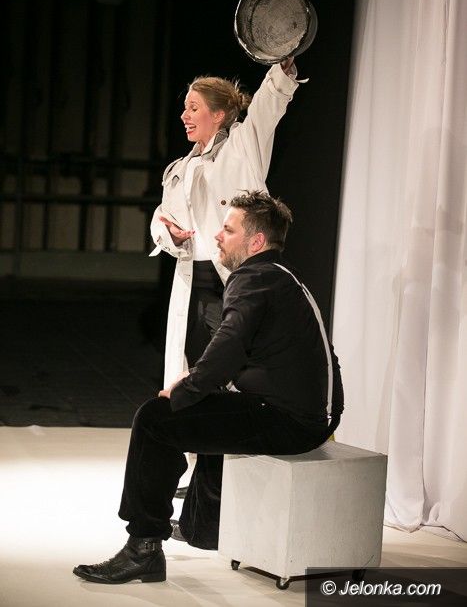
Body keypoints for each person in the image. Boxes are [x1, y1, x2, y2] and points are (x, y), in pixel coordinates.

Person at [73, 190, 344, 585]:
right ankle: (203, 527)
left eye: (228, 230)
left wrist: (185, 389)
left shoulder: (253, 278)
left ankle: (143, 547)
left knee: (156, 419)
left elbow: (229, 344)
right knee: (212, 409)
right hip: (308, 417)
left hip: (290, 421)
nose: (217, 236)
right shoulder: (282, 277)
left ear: (256, 241)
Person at [149, 56, 305, 546]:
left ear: (219, 114)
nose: (184, 115)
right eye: (184, 108)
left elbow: (268, 105)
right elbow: (160, 219)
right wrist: (168, 232)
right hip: (193, 286)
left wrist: (282, 67)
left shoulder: (244, 143)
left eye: (194, 107)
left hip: (233, 282)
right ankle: (190, 498)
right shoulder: (180, 167)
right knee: (187, 379)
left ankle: (213, 512)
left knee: (223, 388)